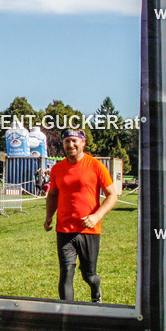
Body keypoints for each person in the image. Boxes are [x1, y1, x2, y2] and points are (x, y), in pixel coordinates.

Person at [43, 129, 120, 303]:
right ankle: (67, 314)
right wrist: (49, 216)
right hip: (64, 229)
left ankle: (96, 290)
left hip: (89, 230)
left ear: (83, 142)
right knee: (66, 273)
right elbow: (53, 195)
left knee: (89, 275)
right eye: (66, 142)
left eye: (74, 141)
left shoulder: (96, 166)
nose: (70, 145)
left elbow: (112, 195)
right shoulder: (57, 169)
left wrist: (96, 216)